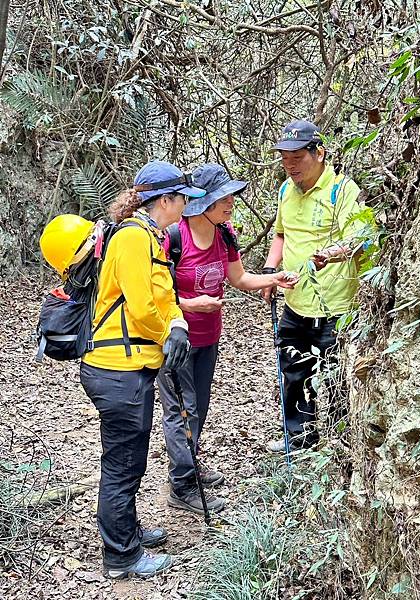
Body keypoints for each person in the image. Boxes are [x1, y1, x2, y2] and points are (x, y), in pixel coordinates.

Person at [79, 161, 205, 579]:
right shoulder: (134, 238)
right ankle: (121, 556)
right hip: (117, 370)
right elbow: (139, 305)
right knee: (122, 464)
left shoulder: (151, 237)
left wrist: (178, 325)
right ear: (164, 201)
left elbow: (163, 296)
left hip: (132, 367)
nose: (186, 205)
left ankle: (127, 530)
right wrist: (167, 332)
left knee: (128, 460)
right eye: (182, 198)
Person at [157, 163, 298, 515]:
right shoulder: (173, 237)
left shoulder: (225, 233)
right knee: (181, 409)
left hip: (208, 338)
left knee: (198, 407)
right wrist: (191, 303)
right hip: (174, 338)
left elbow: (238, 278)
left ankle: (189, 462)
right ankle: (182, 484)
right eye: (224, 196)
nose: (231, 201)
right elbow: (151, 295)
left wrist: (273, 279)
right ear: (203, 202)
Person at [262, 119, 366, 452]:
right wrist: (269, 269)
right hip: (295, 301)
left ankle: (338, 445)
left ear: (318, 153)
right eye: (284, 157)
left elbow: (360, 237)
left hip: (335, 305)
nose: (289, 164)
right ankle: (299, 437)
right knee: (293, 372)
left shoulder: (342, 190)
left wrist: (333, 254)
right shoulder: (285, 191)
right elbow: (281, 234)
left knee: (334, 377)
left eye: (297, 157)